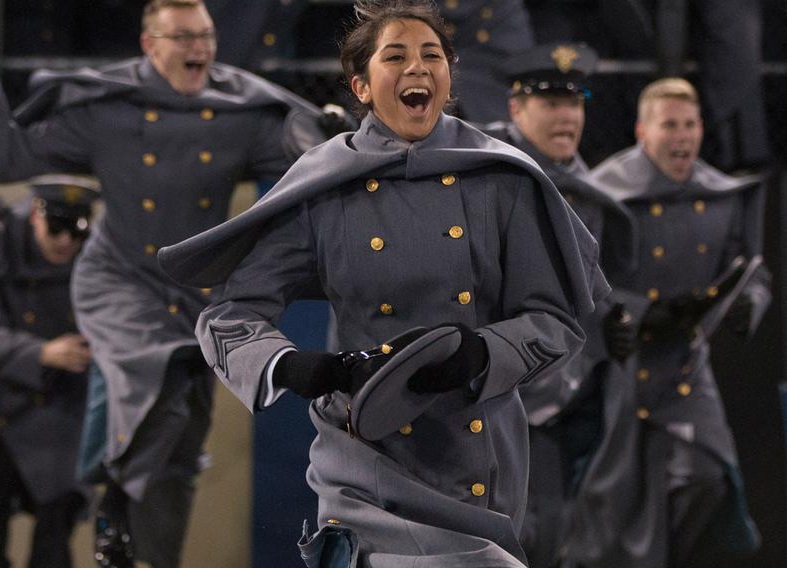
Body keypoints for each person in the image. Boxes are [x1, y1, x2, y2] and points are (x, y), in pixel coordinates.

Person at [158, 1, 609, 565]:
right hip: (361, 457)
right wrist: (293, 366)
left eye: (432, 55)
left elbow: (557, 319)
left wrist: (480, 354)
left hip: (473, 461)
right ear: (362, 86)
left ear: (449, 77)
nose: (418, 67)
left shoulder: (502, 177)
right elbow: (230, 315)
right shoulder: (325, 185)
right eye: (396, 56)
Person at [0, 1, 346, 565]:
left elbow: (315, 157)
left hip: (196, 289)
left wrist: (331, 132)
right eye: (182, 38)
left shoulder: (242, 107)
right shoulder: (107, 107)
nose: (200, 49)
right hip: (118, 280)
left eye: (205, 36)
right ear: (149, 43)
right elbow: (8, 158)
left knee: (181, 448)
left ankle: (137, 542)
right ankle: (107, 495)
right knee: (162, 388)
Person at [573, 77, 770, 567]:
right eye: (669, 126)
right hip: (616, 363)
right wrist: (633, 311)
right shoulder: (603, 194)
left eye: (689, 125)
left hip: (683, 361)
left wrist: (748, 301)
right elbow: (579, 279)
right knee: (616, 502)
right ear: (643, 131)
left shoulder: (722, 196)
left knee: (707, 475)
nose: (681, 137)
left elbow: (749, 268)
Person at [483, 42, 637, 567]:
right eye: (550, 103)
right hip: (504, 393)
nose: (567, 116)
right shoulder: (485, 175)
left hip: (579, 394)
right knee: (518, 536)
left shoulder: (592, 194)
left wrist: (620, 323)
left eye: (575, 102)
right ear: (515, 109)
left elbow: (604, 287)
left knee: (571, 536)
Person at [0, 176, 99, 568]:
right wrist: (42, 352)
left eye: (77, 228)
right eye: (57, 227)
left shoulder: (95, 257)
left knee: (56, 527)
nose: (66, 241)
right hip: (0, 403)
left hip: (62, 405)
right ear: (35, 215)